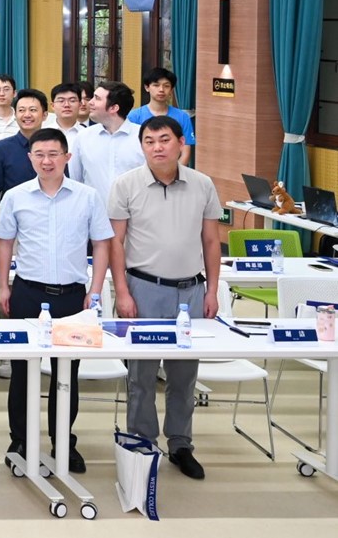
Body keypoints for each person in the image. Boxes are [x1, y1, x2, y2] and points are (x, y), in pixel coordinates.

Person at [0, 127, 114, 473]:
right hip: (27, 294)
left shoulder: (87, 196)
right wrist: (4, 287)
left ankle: (63, 440)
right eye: (39, 155)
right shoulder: (15, 196)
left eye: (53, 154)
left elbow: (102, 244)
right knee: (22, 371)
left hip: (72, 298)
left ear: (67, 157)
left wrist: (95, 290)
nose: (46, 161)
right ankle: (20, 439)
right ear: (30, 158)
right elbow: (4, 243)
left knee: (67, 372)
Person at [108, 116, 220, 480]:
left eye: (164, 139)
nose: (157, 147)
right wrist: (122, 291)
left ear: (181, 143)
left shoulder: (202, 184)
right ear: (142, 146)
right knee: (141, 375)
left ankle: (181, 444)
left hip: (191, 291)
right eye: (149, 141)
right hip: (144, 289)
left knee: (184, 375)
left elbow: (211, 241)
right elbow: (115, 242)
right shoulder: (126, 184)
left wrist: (212, 290)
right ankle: (142, 444)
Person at [0, 89, 47, 234]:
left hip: (49, 222)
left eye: (33, 110)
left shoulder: (54, 147)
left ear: (44, 115)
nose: (27, 115)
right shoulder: (1, 149)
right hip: (13, 225)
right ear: (15, 114)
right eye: (21, 110)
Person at [69, 80, 147, 199]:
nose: (90, 102)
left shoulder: (143, 137)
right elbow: (75, 180)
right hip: (94, 209)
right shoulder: (83, 137)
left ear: (114, 108)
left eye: (97, 98)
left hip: (135, 208)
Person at [126, 67, 197, 166]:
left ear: (171, 90)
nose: (161, 90)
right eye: (156, 85)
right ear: (147, 87)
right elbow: (129, 149)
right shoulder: (134, 116)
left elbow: (185, 151)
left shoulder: (182, 116)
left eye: (166, 86)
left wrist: (174, 172)